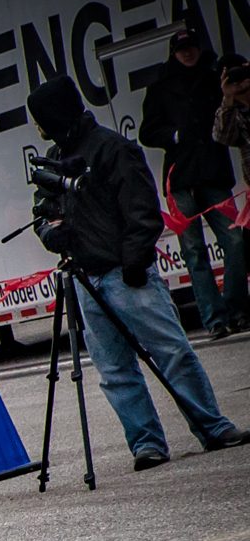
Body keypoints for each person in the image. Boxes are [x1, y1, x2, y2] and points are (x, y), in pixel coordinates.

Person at [28, 77, 249, 470]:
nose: (38, 128)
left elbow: (142, 210)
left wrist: (133, 261)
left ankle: (213, 427)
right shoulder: (54, 157)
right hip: (84, 277)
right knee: (114, 370)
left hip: (126, 275)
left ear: (54, 114)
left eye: (40, 119)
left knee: (171, 353)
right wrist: (51, 233)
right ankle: (146, 444)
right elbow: (42, 209)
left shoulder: (112, 148)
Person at [141, 28, 247, 339]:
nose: (188, 53)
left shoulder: (215, 77)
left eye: (192, 47)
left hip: (214, 174)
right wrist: (172, 136)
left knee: (236, 243)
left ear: (200, 49)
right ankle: (214, 320)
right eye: (182, 49)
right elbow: (147, 131)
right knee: (194, 251)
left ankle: (238, 311)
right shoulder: (161, 86)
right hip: (180, 177)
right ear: (173, 53)